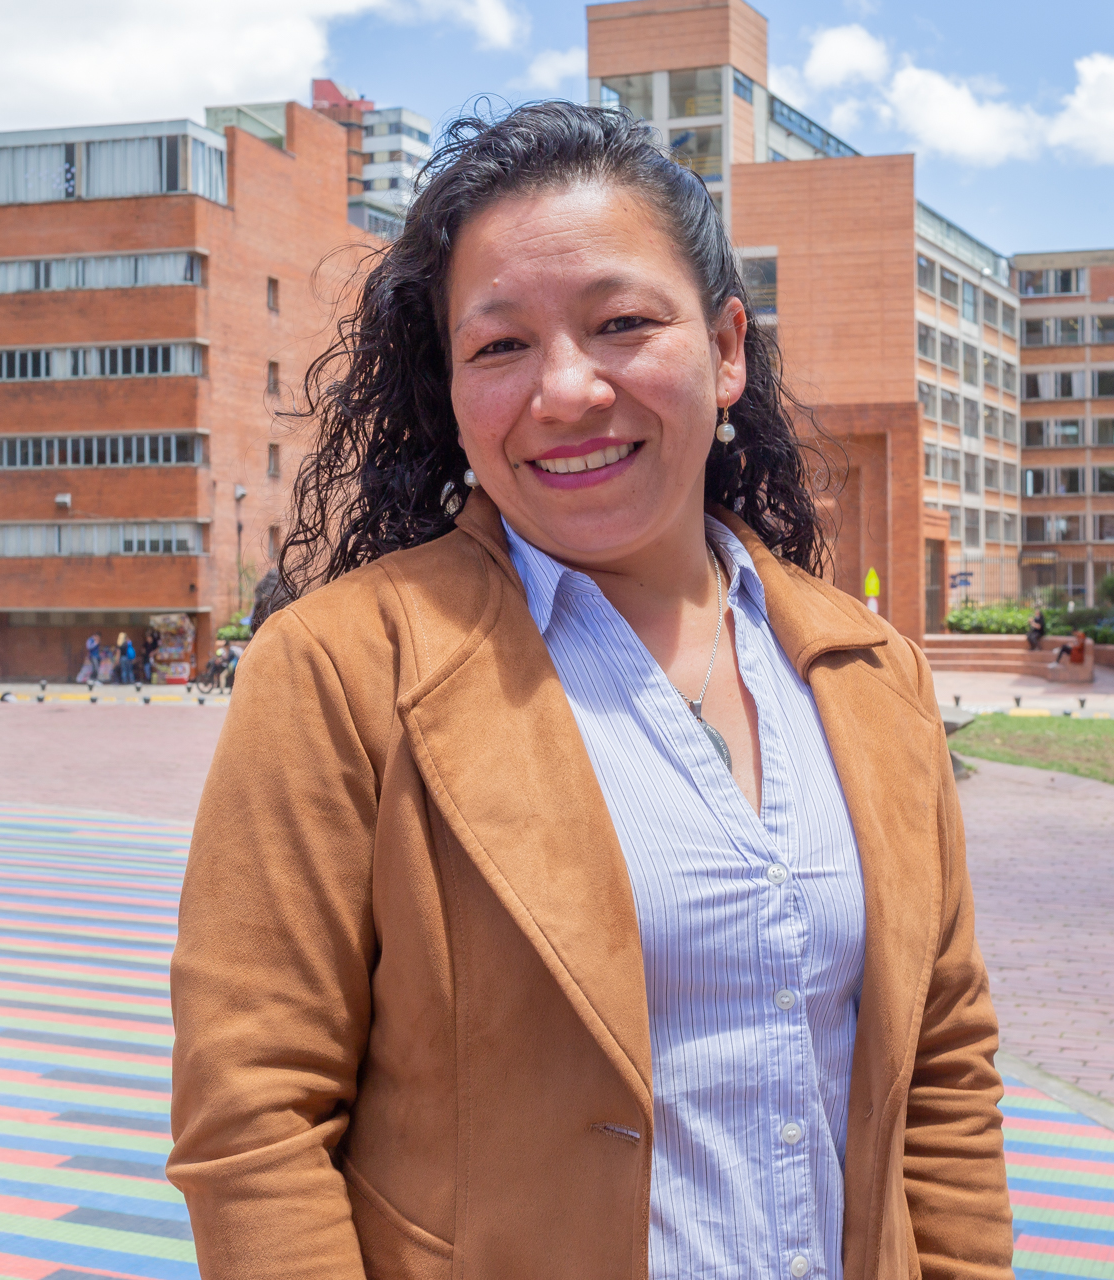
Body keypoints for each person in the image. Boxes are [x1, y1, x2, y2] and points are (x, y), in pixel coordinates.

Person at [167, 103, 1012, 1279]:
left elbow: (943, 1070)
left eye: (621, 324)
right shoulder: (344, 669)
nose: (565, 390)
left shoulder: (870, 673)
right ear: (450, 387)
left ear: (726, 349)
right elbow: (252, 1115)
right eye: (499, 346)